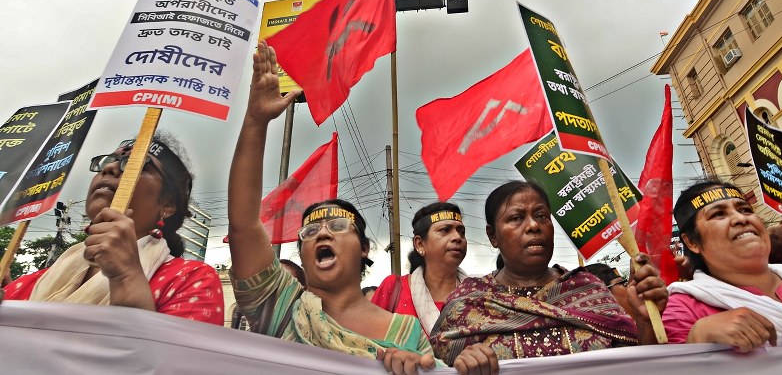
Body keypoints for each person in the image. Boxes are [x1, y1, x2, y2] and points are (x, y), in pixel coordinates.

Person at [226, 42, 495, 375]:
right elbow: (243, 226)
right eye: (310, 232)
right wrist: (254, 122)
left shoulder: (407, 333)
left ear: (364, 248)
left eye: (338, 226)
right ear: (303, 252)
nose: (323, 231)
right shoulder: (282, 307)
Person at [431, 180, 668, 364]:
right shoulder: (470, 300)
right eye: (516, 218)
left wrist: (646, 322)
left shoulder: (589, 288)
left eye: (542, 215)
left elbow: (640, 366)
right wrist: (464, 363)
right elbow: (437, 362)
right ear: (493, 236)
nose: (534, 225)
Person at [2, 135, 224, 325]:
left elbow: (172, 365)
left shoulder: (189, 280)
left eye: (135, 163)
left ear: (167, 205)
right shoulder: (28, 284)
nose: (109, 167)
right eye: (109, 161)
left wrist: (126, 276)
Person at [662, 180, 782, 350]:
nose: (741, 218)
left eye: (745, 210)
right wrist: (698, 338)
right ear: (691, 242)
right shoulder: (682, 308)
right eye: (718, 214)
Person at [372, 202, 468, 336]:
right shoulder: (394, 288)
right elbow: (367, 346)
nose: (457, 237)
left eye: (461, 231)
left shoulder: (479, 292)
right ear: (420, 244)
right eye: (445, 230)